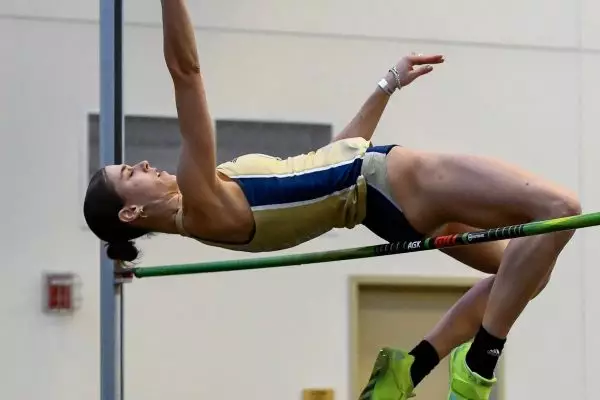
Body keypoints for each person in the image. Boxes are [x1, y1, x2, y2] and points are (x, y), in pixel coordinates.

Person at [83, 0, 581, 398]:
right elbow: (185, 71)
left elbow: (332, 159)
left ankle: (411, 366)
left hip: (381, 209)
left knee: (519, 275)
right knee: (559, 211)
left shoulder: (212, 203)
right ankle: (478, 364)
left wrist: (386, 86)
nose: (144, 165)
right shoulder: (200, 199)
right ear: (131, 212)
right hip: (396, 181)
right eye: (131, 171)